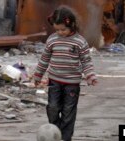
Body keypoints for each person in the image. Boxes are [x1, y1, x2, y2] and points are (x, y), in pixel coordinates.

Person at [34, 5, 98, 141]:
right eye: (57, 29)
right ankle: (54, 133)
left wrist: (90, 75)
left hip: (72, 84)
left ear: (72, 25)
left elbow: (86, 61)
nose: (60, 32)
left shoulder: (80, 42)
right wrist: (38, 75)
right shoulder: (52, 40)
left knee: (68, 111)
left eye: (63, 29)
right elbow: (44, 59)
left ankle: (66, 137)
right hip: (54, 81)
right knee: (52, 108)